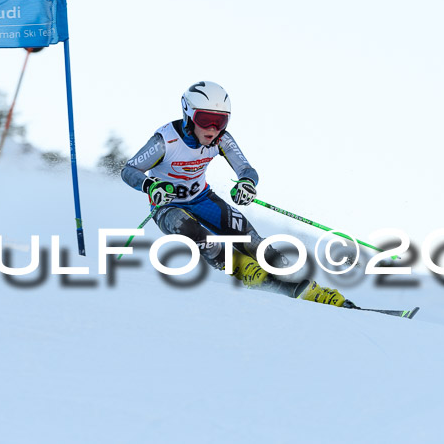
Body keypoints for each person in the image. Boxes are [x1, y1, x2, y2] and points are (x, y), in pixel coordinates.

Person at [121, 81, 351, 307]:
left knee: (254, 243)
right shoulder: (165, 141)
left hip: (202, 199)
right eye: (205, 120)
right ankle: (248, 272)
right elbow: (129, 170)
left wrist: (247, 183)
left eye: (220, 121)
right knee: (192, 231)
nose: (213, 128)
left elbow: (246, 170)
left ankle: (313, 290)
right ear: (188, 115)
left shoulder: (223, 139)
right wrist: (150, 185)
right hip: (167, 207)